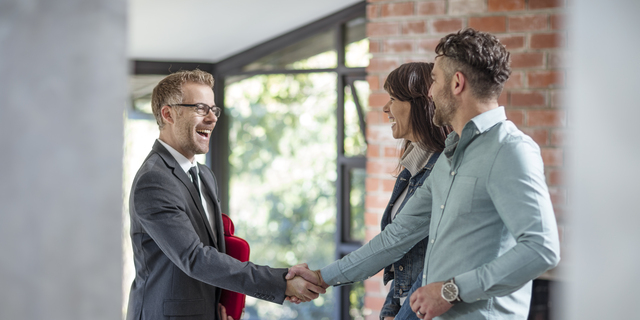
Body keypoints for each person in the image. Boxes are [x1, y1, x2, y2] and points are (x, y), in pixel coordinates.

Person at [288, 28, 560, 320]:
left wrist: (450, 291)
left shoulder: (510, 150)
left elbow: (541, 249)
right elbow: (396, 237)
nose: (429, 92)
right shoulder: (450, 156)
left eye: (433, 80)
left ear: (457, 83)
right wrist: (322, 276)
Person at [126, 69, 325, 320]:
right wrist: (281, 282)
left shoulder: (204, 175)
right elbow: (195, 258)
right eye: (201, 108)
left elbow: (215, 256)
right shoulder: (154, 180)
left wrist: (219, 307)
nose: (212, 118)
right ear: (168, 114)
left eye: (214, 109)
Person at [377, 62, 450, 320]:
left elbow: (436, 263)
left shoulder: (442, 169)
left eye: (393, 99)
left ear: (418, 106)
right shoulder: (411, 168)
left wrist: (402, 315)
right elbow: (401, 253)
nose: (385, 108)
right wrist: (390, 309)